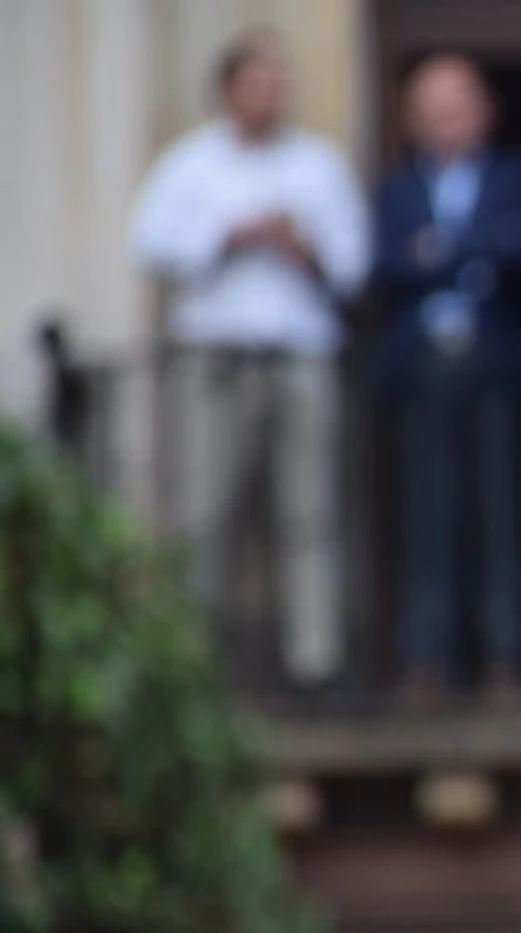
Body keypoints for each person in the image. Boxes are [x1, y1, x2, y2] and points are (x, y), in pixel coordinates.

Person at [130, 29, 369, 689]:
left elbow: (353, 265)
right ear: (228, 89)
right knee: (202, 510)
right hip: (214, 358)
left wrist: (302, 246)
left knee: (308, 511)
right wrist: (228, 235)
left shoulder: (318, 164)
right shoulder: (190, 164)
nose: (272, 94)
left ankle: (314, 664)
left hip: (298, 353)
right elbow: (149, 242)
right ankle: (191, 664)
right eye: (259, 81)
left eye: (279, 82)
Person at [373, 54, 521, 704]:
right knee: (427, 513)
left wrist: (440, 252)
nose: (445, 120)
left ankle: (504, 656)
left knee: (499, 511)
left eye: (456, 105)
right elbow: (385, 263)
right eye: (432, 108)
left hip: (496, 365)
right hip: (422, 368)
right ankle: (427, 657)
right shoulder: (395, 187)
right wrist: (469, 254)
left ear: (484, 112)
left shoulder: (516, 175)